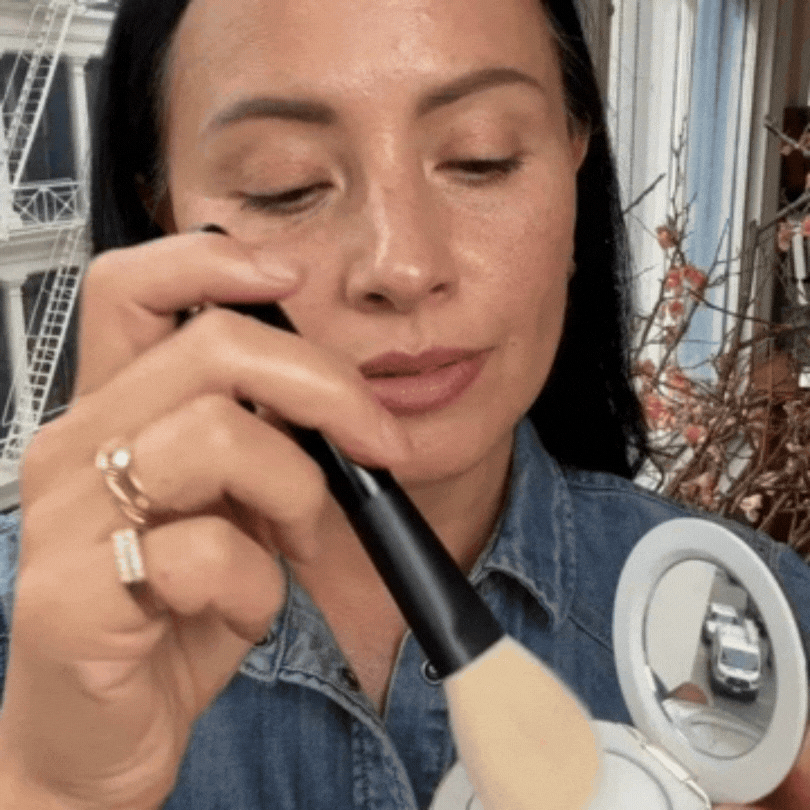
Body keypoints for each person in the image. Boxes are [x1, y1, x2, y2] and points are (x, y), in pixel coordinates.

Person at [0, 0, 808, 807]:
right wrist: (51, 789)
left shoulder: (752, 629)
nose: (404, 264)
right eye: (287, 184)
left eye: (479, 158)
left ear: (573, 156)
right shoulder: (37, 643)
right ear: (165, 209)